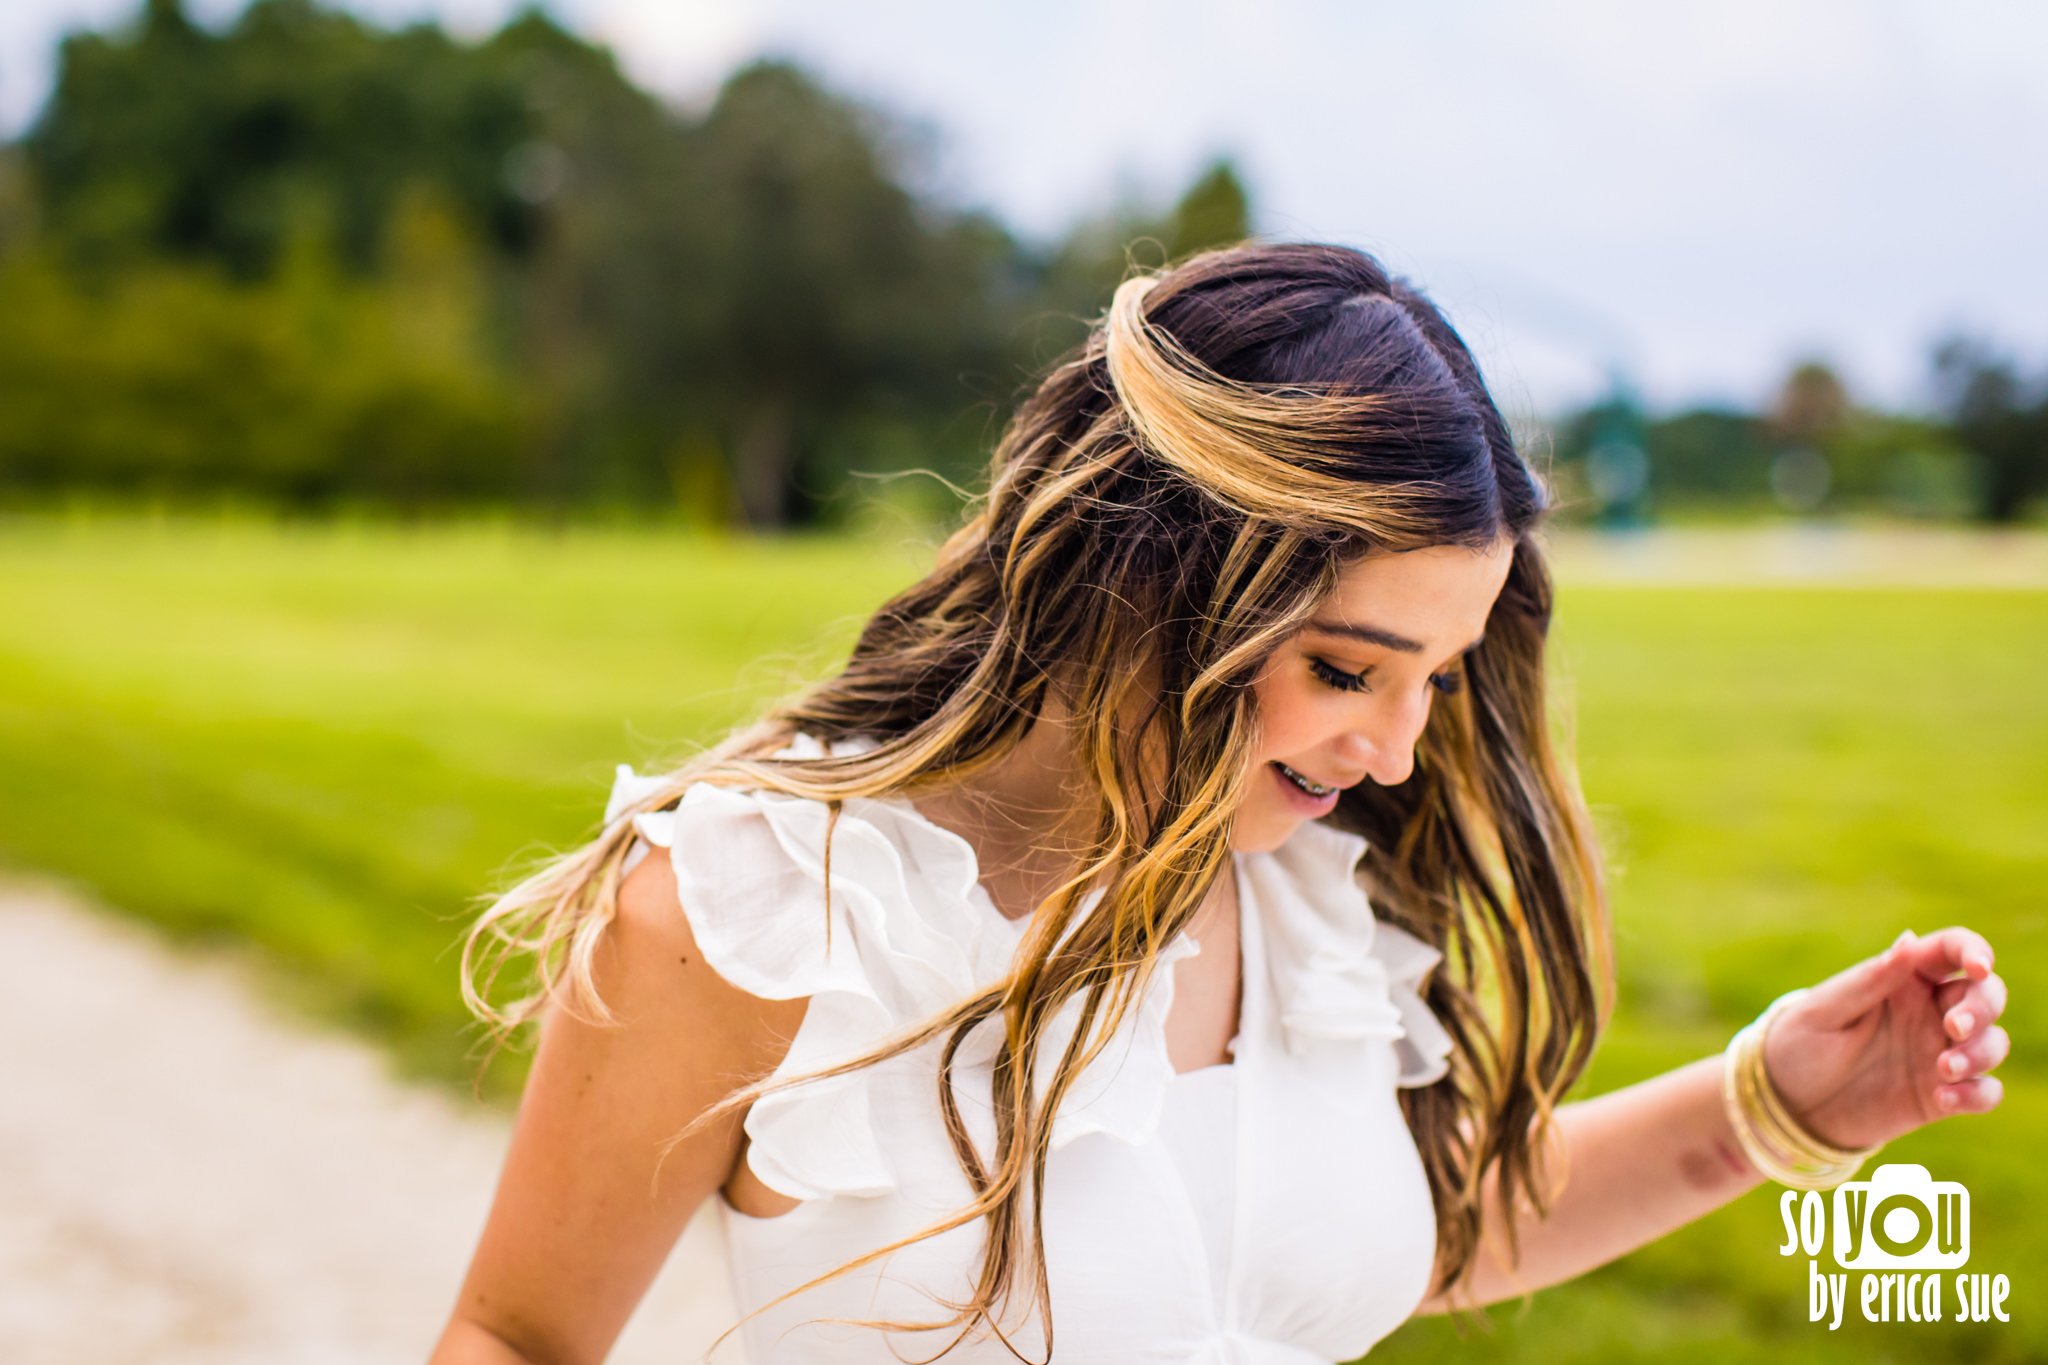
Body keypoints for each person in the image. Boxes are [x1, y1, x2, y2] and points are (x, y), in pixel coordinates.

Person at [429, 241, 2010, 1365]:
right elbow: (516, 1333)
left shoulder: (1310, 888)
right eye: (1345, 667)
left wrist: (1777, 1110)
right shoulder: (753, 911)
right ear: (1146, 579)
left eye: (1438, 676)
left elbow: (1387, 1242)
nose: (1397, 750)